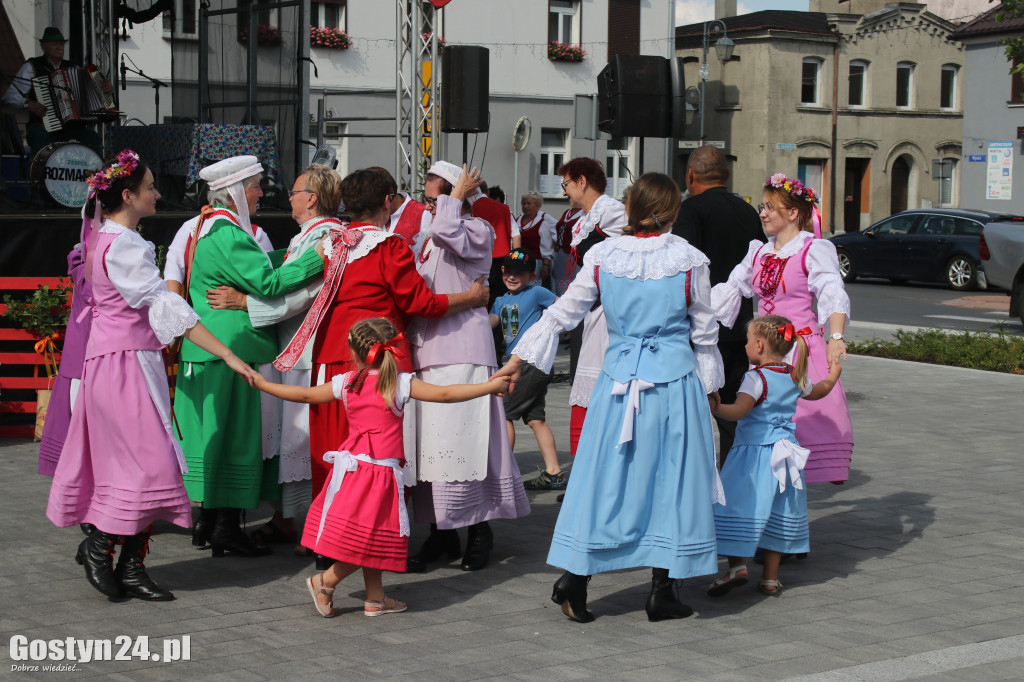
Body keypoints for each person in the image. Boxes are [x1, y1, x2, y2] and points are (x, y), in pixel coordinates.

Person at [494, 172, 725, 623]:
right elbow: (704, 331)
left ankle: (576, 581)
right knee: (672, 484)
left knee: (606, 482)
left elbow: (562, 312)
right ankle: (661, 590)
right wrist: (712, 389)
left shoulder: (603, 255)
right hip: (674, 387)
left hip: (618, 385)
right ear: (673, 212)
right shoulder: (689, 259)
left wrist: (519, 357)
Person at [46, 150, 259, 601]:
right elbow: (165, 307)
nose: (158, 194)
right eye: (150, 188)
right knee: (150, 464)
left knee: (135, 466)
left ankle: (127, 563)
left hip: (115, 362)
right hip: (124, 366)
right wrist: (229, 354)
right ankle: (104, 549)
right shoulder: (122, 244)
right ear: (128, 195)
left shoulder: (106, 237)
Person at [273, 167, 490, 569]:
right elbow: (421, 304)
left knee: (332, 453)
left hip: (329, 358)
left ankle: (327, 543)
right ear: (388, 201)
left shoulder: (332, 243)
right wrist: (471, 297)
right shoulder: (388, 247)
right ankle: (378, 542)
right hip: (377, 361)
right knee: (382, 455)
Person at [253, 317, 511, 617]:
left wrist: (263, 384)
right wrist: (488, 386)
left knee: (372, 535)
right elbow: (445, 394)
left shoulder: (348, 381)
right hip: (379, 474)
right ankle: (324, 581)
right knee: (369, 538)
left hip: (352, 472)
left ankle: (375, 597)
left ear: (353, 350)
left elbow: (306, 395)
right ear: (393, 348)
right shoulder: (399, 383)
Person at [173, 155, 326, 558]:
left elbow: (258, 271)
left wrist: (288, 254)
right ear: (238, 190)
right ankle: (225, 528)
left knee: (217, 438)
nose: (262, 193)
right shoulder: (230, 233)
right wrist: (319, 256)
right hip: (233, 350)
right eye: (256, 185)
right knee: (235, 440)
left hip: (212, 348)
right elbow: (270, 283)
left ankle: (215, 523)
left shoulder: (211, 229)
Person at [405, 161, 530, 573]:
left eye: (431, 187)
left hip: (464, 350)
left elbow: (447, 230)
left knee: (467, 442)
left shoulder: (477, 228)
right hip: (429, 350)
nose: (425, 194)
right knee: (431, 448)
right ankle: (441, 533)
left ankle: (480, 531)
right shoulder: (429, 230)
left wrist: (456, 196)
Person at [713, 173, 853, 484]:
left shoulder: (812, 249)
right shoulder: (759, 251)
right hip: (765, 355)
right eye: (762, 207)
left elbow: (832, 290)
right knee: (765, 426)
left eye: (769, 207)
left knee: (800, 425)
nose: (762, 213)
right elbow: (731, 289)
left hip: (801, 350)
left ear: (792, 213)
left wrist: (836, 338)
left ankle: (789, 496)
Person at [708, 315, 842, 597]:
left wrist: (717, 408)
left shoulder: (755, 378)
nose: (745, 345)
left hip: (752, 457)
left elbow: (740, 411)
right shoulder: (795, 375)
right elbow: (819, 391)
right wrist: (832, 375)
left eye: (746, 341)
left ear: (758, 344)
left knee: (736, 505)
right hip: (786, 458)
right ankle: (770, 578)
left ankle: (737, 567)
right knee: (779, 512)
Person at [672, 145, 765, 465]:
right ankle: (735, 481)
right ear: (726, 175)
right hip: (740, 329)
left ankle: (696, 487)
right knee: (731, 415)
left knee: (690, 414)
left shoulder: (691, 210)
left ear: (690, 175)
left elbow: (682, 265)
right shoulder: (748, 211)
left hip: (700, 329)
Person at [557, 158, 627, 456]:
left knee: (600, 385)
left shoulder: (612, 212)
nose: (564, 192)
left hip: (610, 315)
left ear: (582, 181)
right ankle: (585, 476)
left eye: (566, 185)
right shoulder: (586, 218)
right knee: (584, 382)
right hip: (590, 310)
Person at [489, 248, 564, 490]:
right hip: (519, 362)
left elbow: (563, 307)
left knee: (504, 413)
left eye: (519, 273)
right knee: (535, 419)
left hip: (531, 362)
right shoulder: (500, 300)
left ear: (531, 276)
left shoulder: (536, 292)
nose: (512, 277)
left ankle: (505, 476)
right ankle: (554, 473)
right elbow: (491, 321)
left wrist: (549, 332)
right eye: (508, 271)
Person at [1, 27, 112, 155]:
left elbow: (93, 88)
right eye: (55, 44)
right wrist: (28, 104)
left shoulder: (73, 68)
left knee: (92, 138)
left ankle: (91, 174)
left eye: (61, 44)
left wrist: (106, 86)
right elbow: (9, 96)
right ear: (44, 46)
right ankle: (42, 174)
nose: (59, 47)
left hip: (70, 128)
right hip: (41, 126)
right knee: (41, 137)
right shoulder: (32, 66)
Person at [37, 243, 92, 478]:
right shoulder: (85, 257)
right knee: (82, 434)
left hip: (113, 356)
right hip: (84, 359)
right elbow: (93, 292)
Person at [371, 166, 431, 256]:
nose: (373, 206)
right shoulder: (370, 215)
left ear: (390, 193)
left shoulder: (423, 213)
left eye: (377, 200)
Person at [514, 191, 557, 282]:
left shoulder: (542, 223)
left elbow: (547, 247)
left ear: (538, 206)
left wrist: (546, 266)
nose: (525, 206)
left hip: (534, 263)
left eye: (529, 203)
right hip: (517, 261)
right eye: (523, 203)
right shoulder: (517, 220)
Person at [551, 206, 582, 296]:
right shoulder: (567, 212)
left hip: (573, 256)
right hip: (560, 254)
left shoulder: (585, 213)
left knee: (571, 286)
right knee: (558, 286)